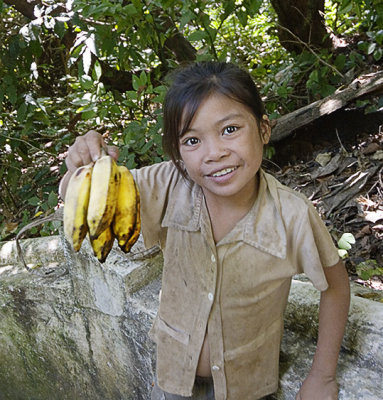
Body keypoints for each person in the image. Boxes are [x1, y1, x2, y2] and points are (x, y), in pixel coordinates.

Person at [59, 61, 350, 400]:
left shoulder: (292, 215)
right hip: (172, 379)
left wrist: (322, 376)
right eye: (193, 139)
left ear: (264, 130)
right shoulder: (168, 184)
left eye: (230, 130)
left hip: (249, 387)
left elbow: (336, 287)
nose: (215, 153)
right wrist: (82, 166)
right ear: (178, 153)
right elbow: (88, 201)